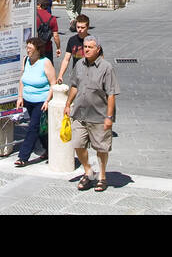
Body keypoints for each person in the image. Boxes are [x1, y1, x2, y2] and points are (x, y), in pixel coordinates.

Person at [64, 36, 119, 193]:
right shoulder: (79, 65)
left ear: (98, 49)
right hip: (80, 113)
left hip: (99, 115)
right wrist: (68, 104)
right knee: (77, 144)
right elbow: (74, 85)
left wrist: (109, 117)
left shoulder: (106, 68)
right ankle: (88, 171)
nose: (86, 49)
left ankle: (102, 177)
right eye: (85, 47)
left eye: (90, 47)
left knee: (101, 148)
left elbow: (111, 94)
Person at [14, 37, 57, 167]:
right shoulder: (26, 60)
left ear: (38, 50)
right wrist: (20, 96)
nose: (28, 51)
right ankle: (49, 149)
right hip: (28, 99)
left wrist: (47, 100)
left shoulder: (45, 63)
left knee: (32, 127)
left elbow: (53, 83)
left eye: (31, 49)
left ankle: (23, 156)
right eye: (27, 48)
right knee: (39, 128)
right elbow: (22, 79)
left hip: (41, 101)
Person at [56, 14, 91, 84]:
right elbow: (66, 59)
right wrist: (60, 75)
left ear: (87, 27)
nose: (80, 30)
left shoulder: (92, 41)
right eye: (78, 27)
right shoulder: (72, 40)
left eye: (82, 27)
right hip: (76, 75)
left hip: (90, 76)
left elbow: (100, 60)